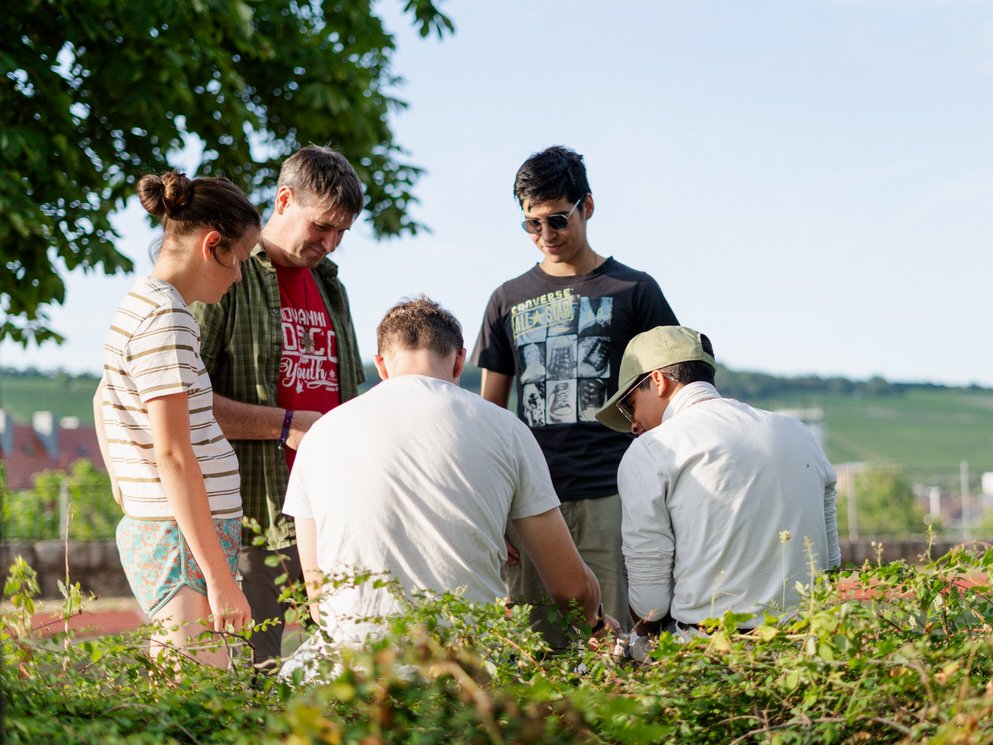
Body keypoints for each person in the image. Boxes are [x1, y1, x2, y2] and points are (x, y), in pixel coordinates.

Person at [280, 297, 605, 672]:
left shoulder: (321, 435)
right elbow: (572, 589)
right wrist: (596, 624)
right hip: (464, 671)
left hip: (351, 671)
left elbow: (319, 600)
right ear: (458, 361)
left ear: (382, 365)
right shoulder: (506, 429)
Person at [471, 145, 679, 645]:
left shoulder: (634, 290)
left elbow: (673, 392)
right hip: (531, 499)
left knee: (616, 647)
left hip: (615, 492)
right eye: (532, 225)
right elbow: (488, 416)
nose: (546, 236)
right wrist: (490, 504)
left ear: (587, 206)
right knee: (534, 647)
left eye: (558, 220)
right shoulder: (506, 299)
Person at [189, 145, 366, 668]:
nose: (330, 244)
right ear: (284, 199)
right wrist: (285, 424)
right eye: (322, 227)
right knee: (252, 675)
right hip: (251, 517)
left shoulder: (331, 284)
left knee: (342, 674)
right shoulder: (226, 273)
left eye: (342, 234)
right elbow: (183, 400)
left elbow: (348, 396)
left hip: (332, 516)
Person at [93, 171, 259, 666]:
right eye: (241, 262)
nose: (238, 277)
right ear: (213, 246)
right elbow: (173, 452)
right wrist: (220, 579)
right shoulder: (167, 318)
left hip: (177, 533)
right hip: (184, 543)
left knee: (181, 700)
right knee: (198, 705)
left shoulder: (144, 303)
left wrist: (123, 481)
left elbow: (103, 397)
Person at [595, 325, 841, 635]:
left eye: (630, 406)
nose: (633, 424)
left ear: (658, 381)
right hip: (808, 644)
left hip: (710, 652)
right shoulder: (800, 434)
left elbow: (650, 604)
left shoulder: (653, 449)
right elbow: (830, 562)